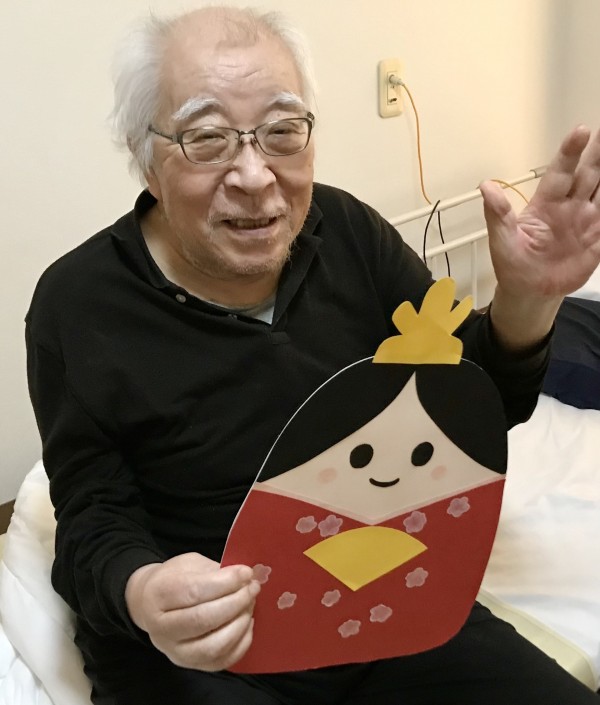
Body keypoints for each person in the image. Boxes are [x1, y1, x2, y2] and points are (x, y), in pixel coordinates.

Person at [25, 5, 600, 705]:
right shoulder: (78, 305)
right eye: (208, 138)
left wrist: (527, 298)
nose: (255, 175)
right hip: (209, 645)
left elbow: (464, 410)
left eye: (281, 131)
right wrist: (142, 590)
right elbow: (92, 515)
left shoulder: (349, 233)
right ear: (146, 158)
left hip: (380, 594)